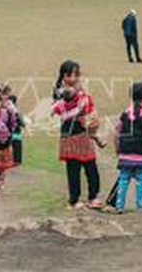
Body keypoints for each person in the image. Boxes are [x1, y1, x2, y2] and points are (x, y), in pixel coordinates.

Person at [52, 60, 102, 209]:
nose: (73, 78)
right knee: (73, 169)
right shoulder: (58, 91)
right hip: (70, 134)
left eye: (76, 75)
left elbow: (89, 106)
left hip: (83, 133)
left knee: (91, 167)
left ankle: (93, 197)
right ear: (63, 75)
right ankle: (74, 200)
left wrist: (92, 117)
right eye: (69, 75)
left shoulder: (82, 91)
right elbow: (60, 110)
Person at [109, 81, 142, 214]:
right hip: (141, 154)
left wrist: (117, 148)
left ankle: (119, 206)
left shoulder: (125, 114)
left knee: (123, 179)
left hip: (125, 153)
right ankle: (140, 206)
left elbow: (117, 132)